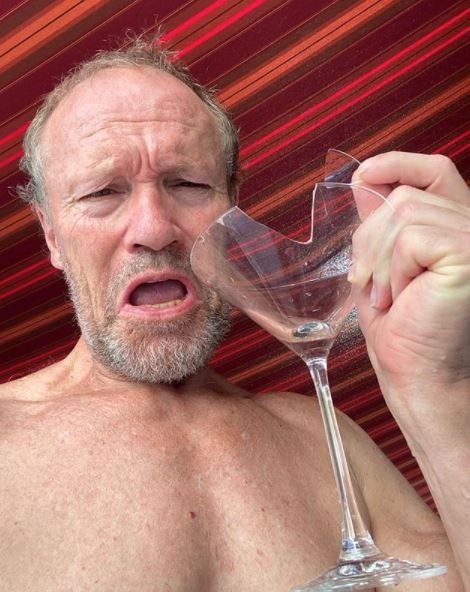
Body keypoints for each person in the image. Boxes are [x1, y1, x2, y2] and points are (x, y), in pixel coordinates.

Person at [0, 33, 468, 592]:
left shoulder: (327, 440)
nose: (154, 229)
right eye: (102, 192)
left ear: (233, 205)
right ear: (51, 234)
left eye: (188, 184)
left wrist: (437, 386)